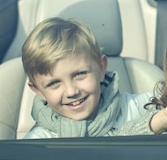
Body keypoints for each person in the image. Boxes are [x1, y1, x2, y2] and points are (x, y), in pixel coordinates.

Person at [21, 17, 155, 138]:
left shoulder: (137, 108)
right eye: (54, 83)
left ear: (101, 68)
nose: (72, 92)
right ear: (38, 91)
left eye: (80, 74)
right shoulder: (38, 143)